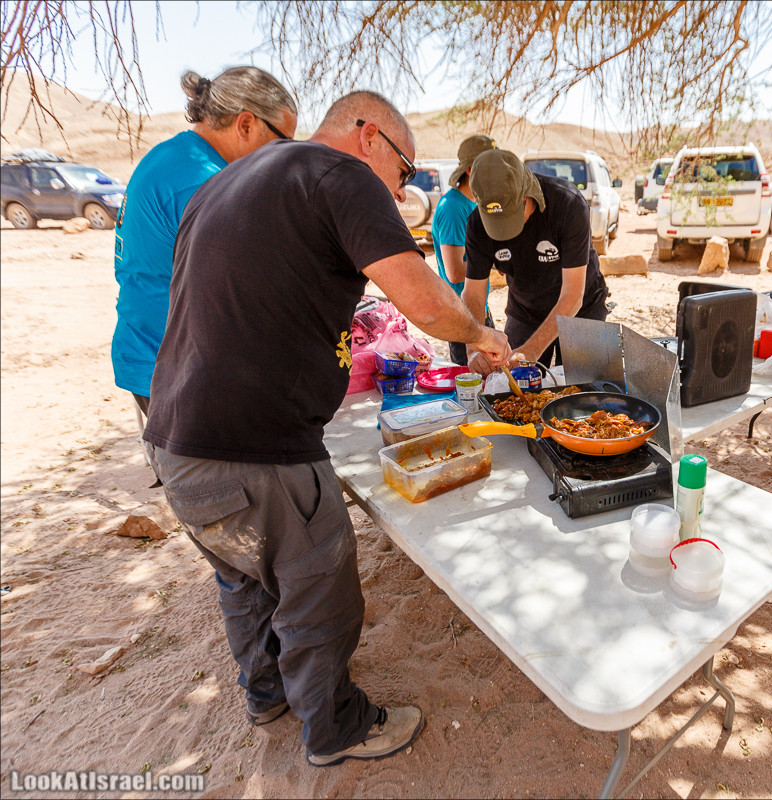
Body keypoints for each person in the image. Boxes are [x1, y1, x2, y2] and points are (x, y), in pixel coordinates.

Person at [141, 90, 511, 766]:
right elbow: (423, 298)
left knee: (245, 574)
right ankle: (336, 727)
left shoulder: (224, 184)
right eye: (404, 172)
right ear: (368, 136)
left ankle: (266, 694)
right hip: (259, 445)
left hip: (175, 439)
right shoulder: (338, 173)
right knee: (320, 585)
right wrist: (482, 335)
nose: (401, 193)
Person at [111, 67, 298, 415]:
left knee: (176, 468)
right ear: (245, 125)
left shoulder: (173, 156)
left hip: (148, 349)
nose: (284, 156)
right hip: (177, 367)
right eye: (282, 142)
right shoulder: (204, 181)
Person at [460, 148, 610, 373]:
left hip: (582, 309)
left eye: (510, 218)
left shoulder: (567, 204)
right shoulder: (476, 225)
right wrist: (473, 348)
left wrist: (531, 349)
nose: (507, 234)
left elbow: (573, 294)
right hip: (526, 310)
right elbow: (473, 293)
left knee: (585, 387)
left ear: (525, 195)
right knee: (513, 385)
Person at [431, 133, 497, 365]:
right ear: (471, 170)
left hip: (478, 311)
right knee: (471, 388)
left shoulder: (472, 204)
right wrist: (492, 259)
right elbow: (455, 271)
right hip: (461, 317)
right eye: (491, 166)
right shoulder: (453, 207)